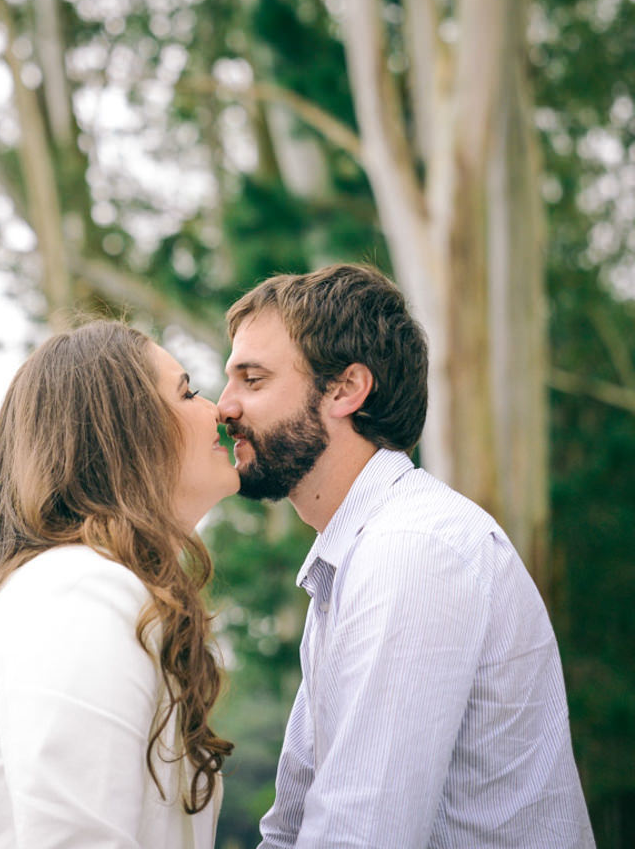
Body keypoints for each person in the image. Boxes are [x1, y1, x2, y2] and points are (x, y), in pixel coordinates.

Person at [218, 263, 595, 849]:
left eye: (253, 379)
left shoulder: (411, 553)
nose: (225, 407)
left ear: (345, 389)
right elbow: (292, 829)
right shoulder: (356, 556)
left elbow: (360, 835)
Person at [0, 319, 239, 848]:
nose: (219, 409)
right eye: (188, 391)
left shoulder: (84, 588)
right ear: (127, 430)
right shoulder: (80, 590)